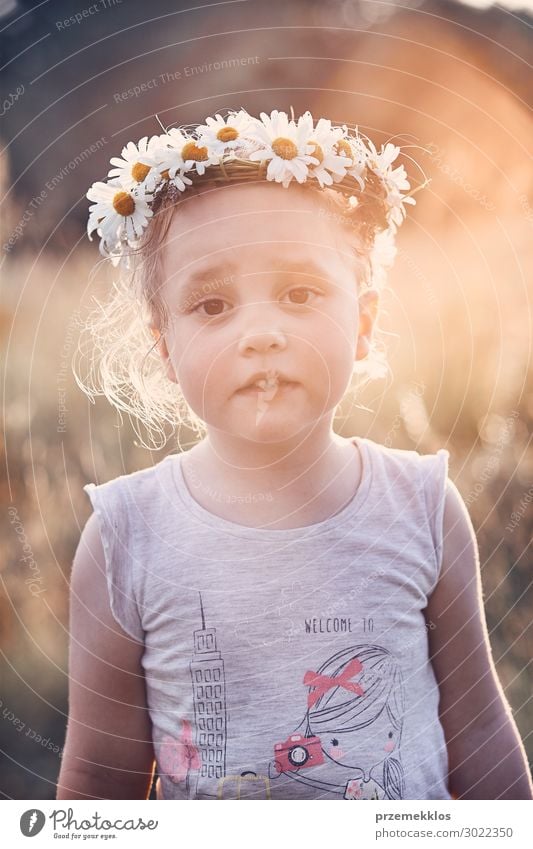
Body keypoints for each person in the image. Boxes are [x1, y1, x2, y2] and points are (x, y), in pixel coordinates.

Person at [57, 109, 533, 801]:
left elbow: (482, 742)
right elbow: (100, 783)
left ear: (363, 322)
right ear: (164, 345)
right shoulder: (126, 537)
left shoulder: (422, 506)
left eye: (299, 293)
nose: (261, 333)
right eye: (213, 304)